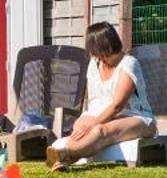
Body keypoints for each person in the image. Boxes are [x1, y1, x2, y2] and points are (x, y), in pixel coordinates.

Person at [46, 22, 155, 169]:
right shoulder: (95, 63)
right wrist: (84, 121)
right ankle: (64, 160)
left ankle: (63, 152)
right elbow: (95, 101)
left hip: (135, 117)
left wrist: (94, 122)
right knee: (81, 125)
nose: (96, 55)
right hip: (102, 114)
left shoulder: (129, 63)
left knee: (100, 130)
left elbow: (117, 106)